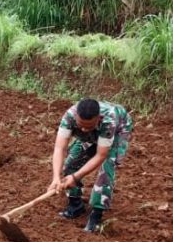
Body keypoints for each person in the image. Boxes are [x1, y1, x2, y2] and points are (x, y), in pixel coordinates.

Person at [48, 98, 134, 234]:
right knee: (71, 163)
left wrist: (75, 177)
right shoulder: (69, 116)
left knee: (106, 169)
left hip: (118, 128)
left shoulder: (108, 120)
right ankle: (75, 206)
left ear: (98, 118)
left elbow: (101, 155)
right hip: (96, 130)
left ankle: (96, 215)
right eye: (80, 124)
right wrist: (56, 178)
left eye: (88, 126)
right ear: (76, 116)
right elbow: (60, 148)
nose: (83, 129)